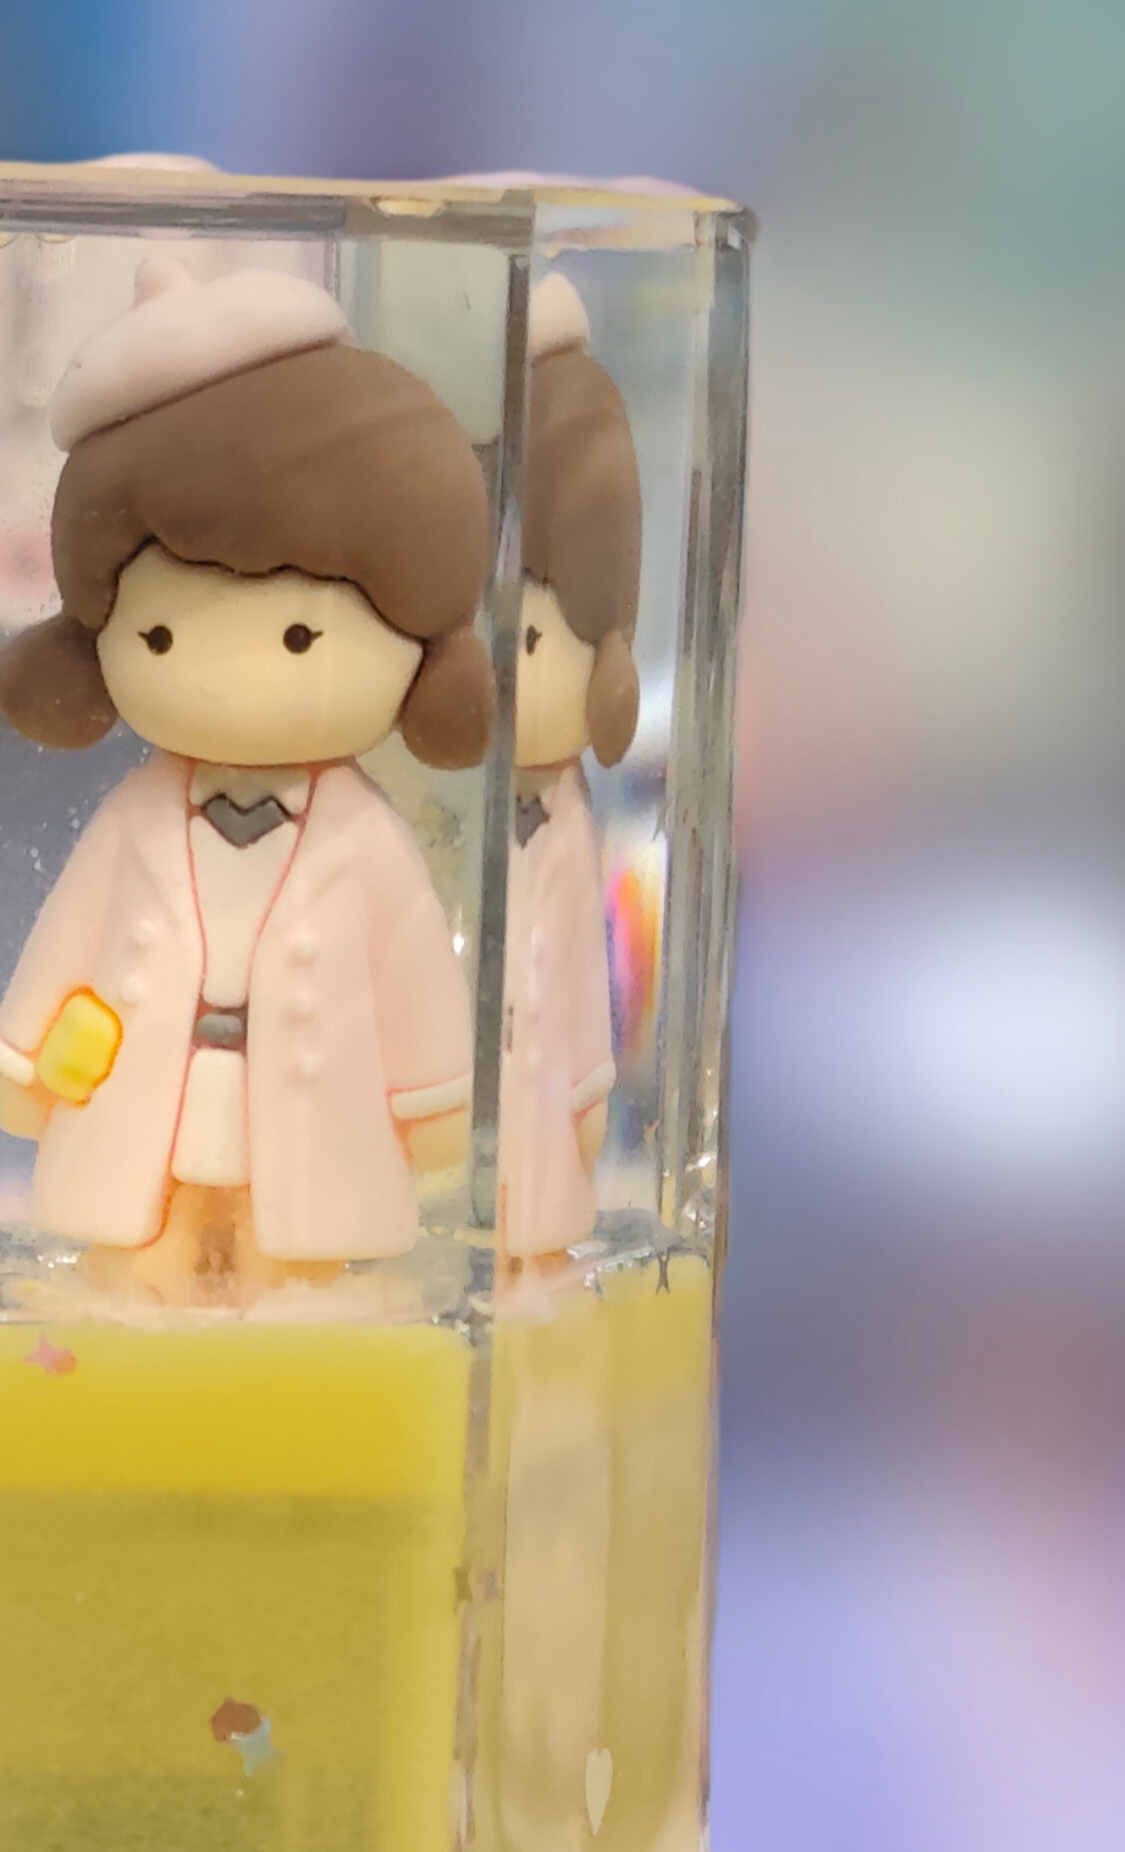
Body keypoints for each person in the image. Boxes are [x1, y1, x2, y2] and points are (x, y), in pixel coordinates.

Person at [0, 264, 490, 1305]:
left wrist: (431, 1095)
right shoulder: (135, 816)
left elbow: (409, 964)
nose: (225, 677)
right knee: (144, 1256)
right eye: (161, 636)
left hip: (308, 1109)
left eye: (300, 634)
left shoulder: (363, 835)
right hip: (150, 1091)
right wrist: (27, 1056)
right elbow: (71, 928)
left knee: (291, 1268)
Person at [502, 276, 640, 1266]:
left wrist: (588, 1092)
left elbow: (584, 974)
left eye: (525, 643)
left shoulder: (569, 813)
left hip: (538, 1110)